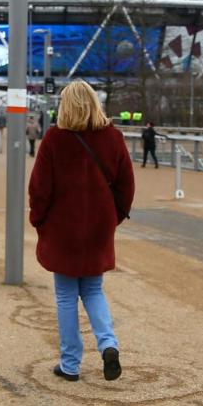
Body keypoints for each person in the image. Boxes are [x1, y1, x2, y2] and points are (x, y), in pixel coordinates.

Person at [28, 79, 135, 383]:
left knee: (65, 295)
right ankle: (108, 344)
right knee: (93, 289)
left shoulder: (54, 139)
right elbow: (126, 183)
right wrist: (115, 216)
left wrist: (39, 219)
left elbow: (39, 189)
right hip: (99, 226)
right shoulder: (113, 137)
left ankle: (71, 363)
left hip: (63, 227)